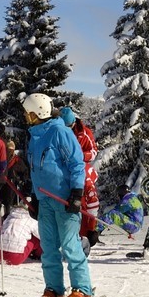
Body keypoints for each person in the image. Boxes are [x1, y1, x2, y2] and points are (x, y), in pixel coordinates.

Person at [23, 92, 94, 297]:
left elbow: (76, 164)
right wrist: (34, 197)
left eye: (30, 114)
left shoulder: (59, 131)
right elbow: (36, 170)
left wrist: (76, 193)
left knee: (71, 246)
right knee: (49, 248)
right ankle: (54, 289)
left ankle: (83, 290)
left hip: (64, 199)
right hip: (45, 200)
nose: (27, 118)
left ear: (40, 112)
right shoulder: (34, 136)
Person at [59, 106, 100, 247]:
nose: (68, 130)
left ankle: (86, 233)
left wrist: (80, 156)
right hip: (63, 171)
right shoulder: (58, 131)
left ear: (73, 123)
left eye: (69, 126)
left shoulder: (84, 132)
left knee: (84, 198)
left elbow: (94, 151)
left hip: (81, 168)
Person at [0, 197, 41, 265]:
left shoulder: (9, 217)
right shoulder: (31, 220)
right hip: (15, 257)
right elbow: (42, 236)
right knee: (35, 239)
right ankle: (39, 254)